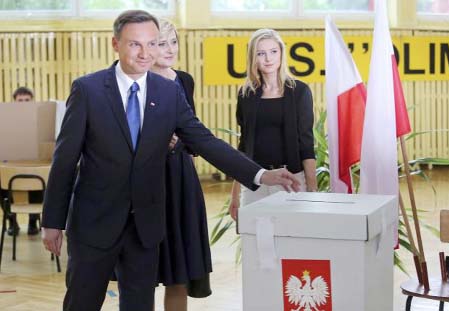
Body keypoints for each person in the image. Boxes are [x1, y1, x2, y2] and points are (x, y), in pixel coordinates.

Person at [41, 10, 300, 311]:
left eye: (152, 44)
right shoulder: (89, 90)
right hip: (94, 224)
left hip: (145, 226)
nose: (145, 53)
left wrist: (259, 175)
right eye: (135, 44)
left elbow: (205, 141)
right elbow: (64, 160)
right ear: (115, 44)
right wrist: (52, 222)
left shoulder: (167, 92)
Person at [150, 19, 211, 310]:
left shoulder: (184, 79)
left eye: (173, 41)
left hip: (180, 178)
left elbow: (193, 132)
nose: (170, 49)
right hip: (145, 179)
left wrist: (180, 143)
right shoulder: (136, 79)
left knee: (179, 271)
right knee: (142, 268)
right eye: (163, 43)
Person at [229, 28, 318, 221]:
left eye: (273, 52)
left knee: (292, 245)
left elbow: (306, 144)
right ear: (253, 58)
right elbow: (243, 146)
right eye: (261, 53)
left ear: (281, 53)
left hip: (291, 180)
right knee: (254, 244)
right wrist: (235, 195)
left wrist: (311, 188)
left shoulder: (300, 91)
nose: (268, 58)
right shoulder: (247, 94)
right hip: (255, 180)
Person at [5, 86, 41, 236]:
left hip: (34, 166)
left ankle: (33, 220)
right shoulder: (5, 121)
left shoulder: (40, 120)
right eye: (20, 101)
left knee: (42, 177)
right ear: (14, 102)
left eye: (27, 100)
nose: (24, 103)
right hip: (11, 165)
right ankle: (12, 220)